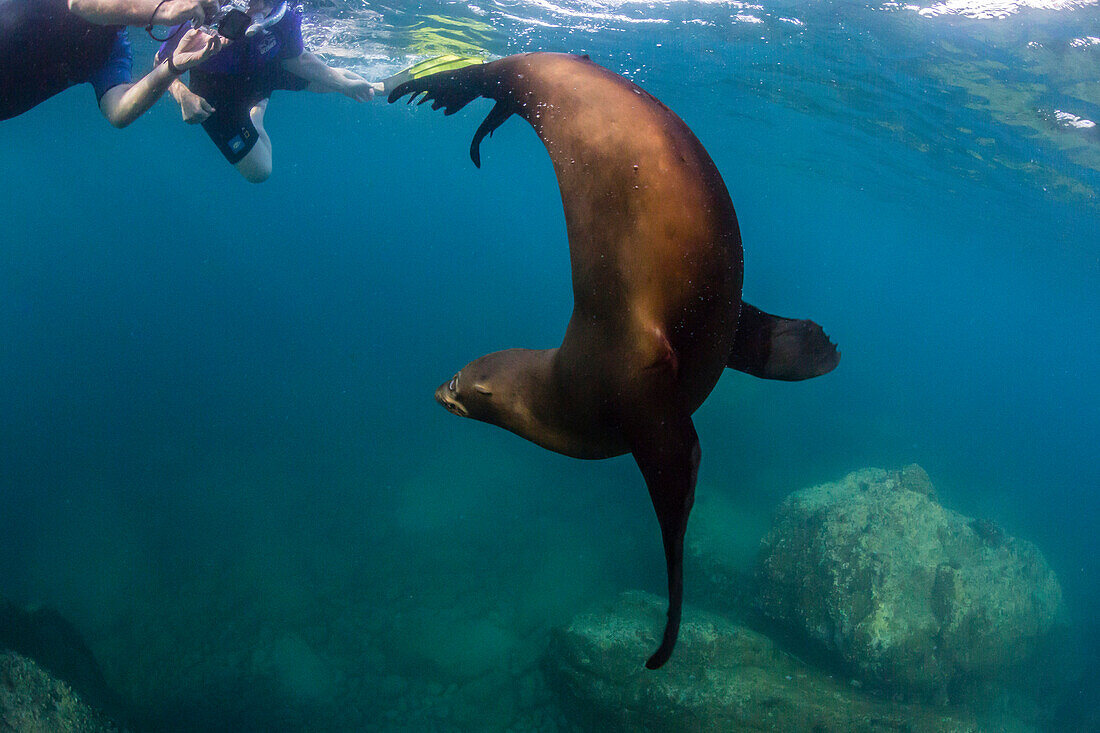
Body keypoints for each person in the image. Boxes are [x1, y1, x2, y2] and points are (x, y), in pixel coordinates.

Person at [157, 0, 375, 183]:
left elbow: (299, 58)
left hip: (263, 68)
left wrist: (343, 85)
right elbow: (161, 61)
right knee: (259, 171)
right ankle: (257, 112)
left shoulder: (286, 12)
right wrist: (182, 95)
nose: (259, 6)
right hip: (214, 86)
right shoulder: (204, 10)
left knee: (340, 80)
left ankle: (379, 88)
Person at [0, 0, 223, 124]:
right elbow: (80, 4)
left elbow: (118, 111)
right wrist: (162, 10)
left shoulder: (112, 48)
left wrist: (173, 66)